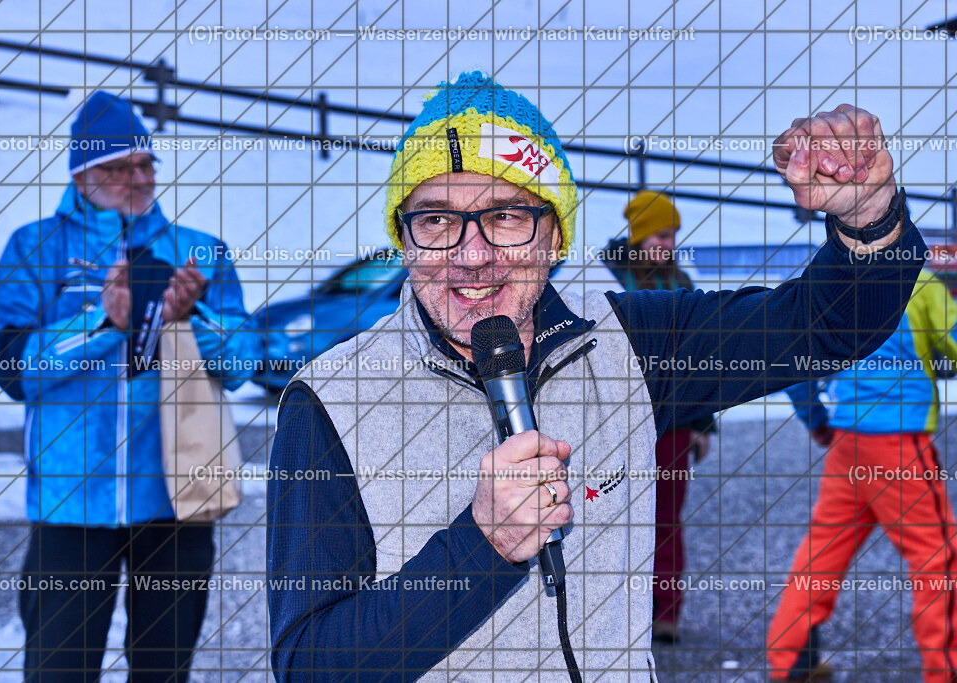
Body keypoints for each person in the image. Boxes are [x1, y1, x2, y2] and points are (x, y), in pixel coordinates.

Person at [266, 70, 924, 680]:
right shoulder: (331, 401)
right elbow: (310, 665)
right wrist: (481, 547)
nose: (471, 255)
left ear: (555, 236)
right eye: (436, 219)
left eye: (505, 216)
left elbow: (825, 326)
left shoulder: (626, 343)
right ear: (403, 238)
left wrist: (869, 220)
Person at [0, 91, 260, 681]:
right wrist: (103, 322)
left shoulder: (199, 251)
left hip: (177, 496)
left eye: (145, 164)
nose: (137, 178)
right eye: (116, 167)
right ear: (80, 175)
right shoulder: (34, 248)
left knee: (163, 671)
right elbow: (13, 369)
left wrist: (190, 317)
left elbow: (242, 363)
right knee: (58, 670)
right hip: (70, 502)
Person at [767, 269, 957, 681]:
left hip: (847, 440)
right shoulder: (919, 283)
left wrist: (815, 417)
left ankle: (792, 661)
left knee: (824, 549)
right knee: (938, 558)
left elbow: (794, 360)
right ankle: (946, 670)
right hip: (899, 442)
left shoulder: (829, 280)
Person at [599, 190, 716, 644]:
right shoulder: (606, 275)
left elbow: (701, 356)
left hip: (673, 422)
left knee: (665, 518)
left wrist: (702, 424)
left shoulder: (680, 281)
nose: (667, 245)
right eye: (660, 236)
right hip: (617, 418)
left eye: (672, 236)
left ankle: (665, 612)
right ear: (639, 234)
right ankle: (613, 615)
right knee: (610, 516)